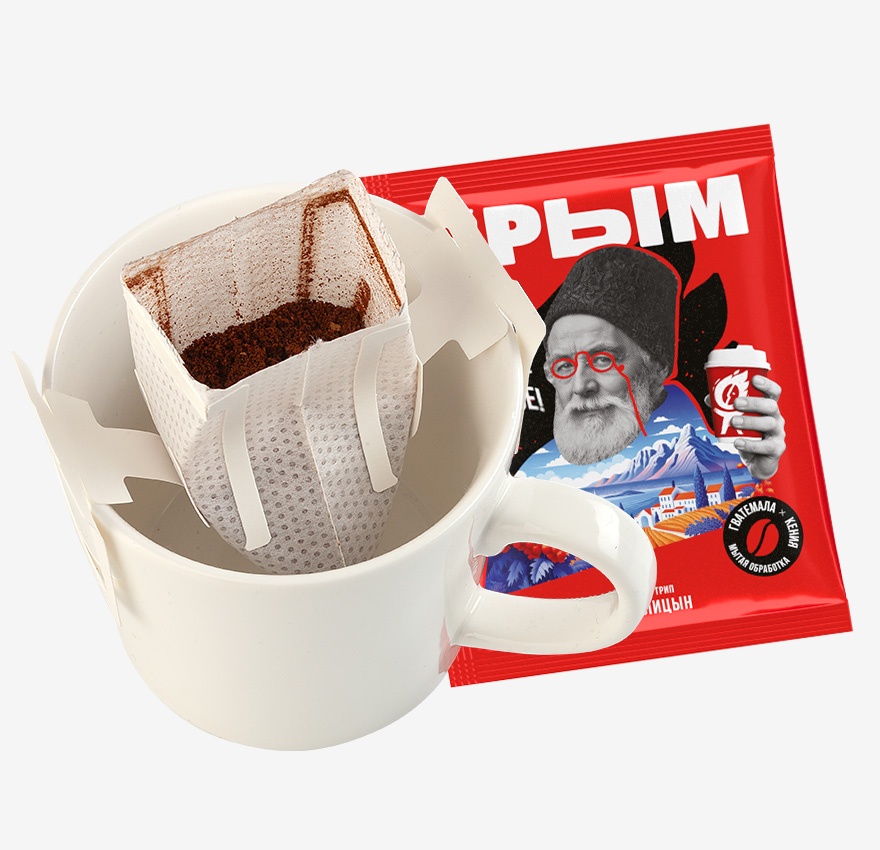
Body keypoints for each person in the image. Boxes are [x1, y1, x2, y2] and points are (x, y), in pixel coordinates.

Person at [543, 245, 785, 479]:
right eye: (564, 366)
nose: (580, 385)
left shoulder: (724, 437)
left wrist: (761, 471)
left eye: (603, 360)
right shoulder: (530, 471)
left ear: (656, 366)